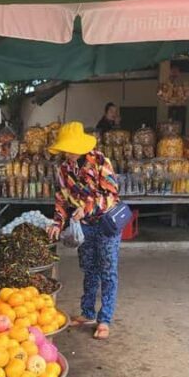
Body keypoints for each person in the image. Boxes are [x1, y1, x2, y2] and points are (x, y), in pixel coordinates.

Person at [46, 122, 120, 340]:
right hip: (84, 228)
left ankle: (104, 319)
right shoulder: (63, 169)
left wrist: (85, 208)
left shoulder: (99, 161)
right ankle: (87, 313)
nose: (67, 153)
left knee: (108, 271)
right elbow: (61, 199)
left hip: (106, 224)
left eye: (69, 148)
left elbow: (111, 195)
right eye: (64, 149)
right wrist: (58, 222)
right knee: (89, 269)